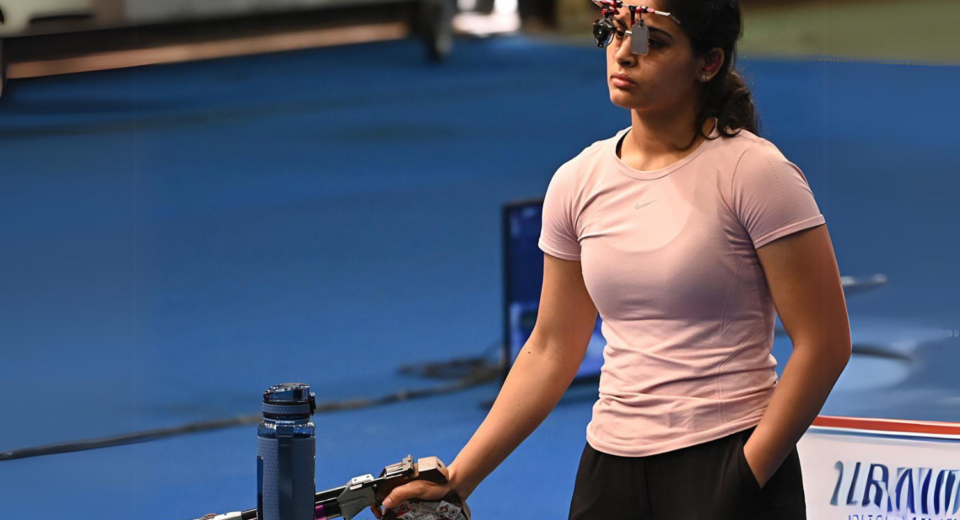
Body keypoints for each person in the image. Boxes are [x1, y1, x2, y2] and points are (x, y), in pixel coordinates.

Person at [372, 0, 851, 518]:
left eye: (653, 42)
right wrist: (461, 478)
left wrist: (744, 475)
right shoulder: (577, 181)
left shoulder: (756, 174)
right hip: (610, 468)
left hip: (727, 459)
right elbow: (552, 346)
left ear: (708, 63)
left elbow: (825, 344)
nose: (624, 54)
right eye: (615, 33)